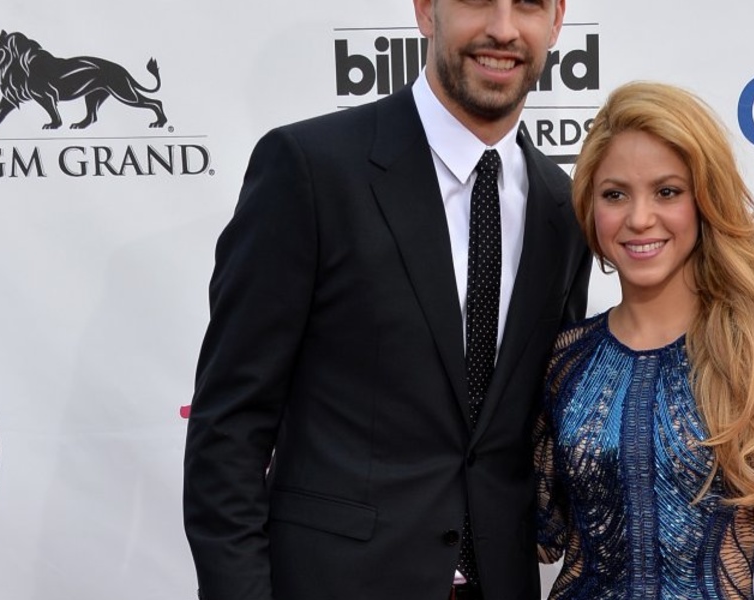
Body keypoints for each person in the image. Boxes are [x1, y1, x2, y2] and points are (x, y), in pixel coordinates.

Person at [183, 1, 591, 599]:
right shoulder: (311, 168)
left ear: (556, 21)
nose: (503, 29)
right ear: (426, 10)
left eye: (527, 4)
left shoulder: (565, 209)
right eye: (478, 0)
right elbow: (230, 424)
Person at [534, 82, 754, 599]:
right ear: (589, 207)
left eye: (667, 191)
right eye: (615, 194)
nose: (639, 218)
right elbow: (543, 537)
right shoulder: (566, 360)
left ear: (705, 200)